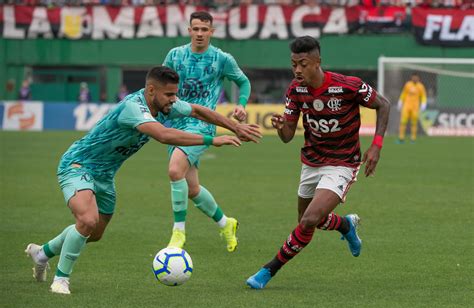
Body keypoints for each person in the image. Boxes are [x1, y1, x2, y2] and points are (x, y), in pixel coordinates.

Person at [25, 66, 261, 295]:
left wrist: (235, 126)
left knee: (93, 232)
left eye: (175, 94)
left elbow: (198, 111)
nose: (174, 99)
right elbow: (164, 135)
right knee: (87, 220)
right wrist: (212, 139)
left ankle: (42, 254)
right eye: (169, 94)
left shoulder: (165, 105)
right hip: (78, 165)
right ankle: (61, 280)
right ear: (151, 91)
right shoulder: (133, 107)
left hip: (105, 175)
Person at [246, 36, 390, 290]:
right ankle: (345, 224)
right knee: (308, 219)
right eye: (293, 65)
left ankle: (268, 270)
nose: (298, 70)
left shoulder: (347, 86)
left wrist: (376, 145)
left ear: (317, 61)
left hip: (343, 163)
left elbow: (383, 104)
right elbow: (288, 137)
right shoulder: (295, 90)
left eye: (303, 64)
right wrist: (281, 127)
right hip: (311, 162)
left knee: (309, 219)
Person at [162, 11, 251, 252]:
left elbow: (243, 82)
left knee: (174, 170)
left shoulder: (222, 59)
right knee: (191, 188)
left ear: (212, 32)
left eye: (204, 29)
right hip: (176, 125)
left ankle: (178, 232)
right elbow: (161, 86)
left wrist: (241, 104)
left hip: (201, 123)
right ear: (189, 30)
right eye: (196, 29)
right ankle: (226, 223)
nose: (200, 33)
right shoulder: (175, 55)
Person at [397, 73, 427, 143]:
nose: (415, 79)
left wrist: (423, 104)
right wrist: (400, 101)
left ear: (418, 78)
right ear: (411, 77)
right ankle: (401, 138)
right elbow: (403, 93)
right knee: (403, 122)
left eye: (416, 77)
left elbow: (423, 96)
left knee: (414, 123)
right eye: (414, 77)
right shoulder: (408, 84)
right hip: (406, 106)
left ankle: (413, 139)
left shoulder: (421, 86)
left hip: (415, 107)